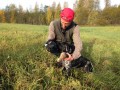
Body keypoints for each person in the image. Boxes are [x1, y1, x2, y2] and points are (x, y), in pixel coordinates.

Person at [45, 8, 93, 73]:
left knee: (70, 56)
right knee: (48, 45)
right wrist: (51, 46)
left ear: (71, 21)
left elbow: (78, 44)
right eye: (63, 22)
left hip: (69, 47)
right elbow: (50, 38)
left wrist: (73, 57)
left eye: (67, 23)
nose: (64, 26)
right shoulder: (53, 24)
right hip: (58, 45)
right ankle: (61, 59)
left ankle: (84, 62)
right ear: (60, 18)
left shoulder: (75, 27)